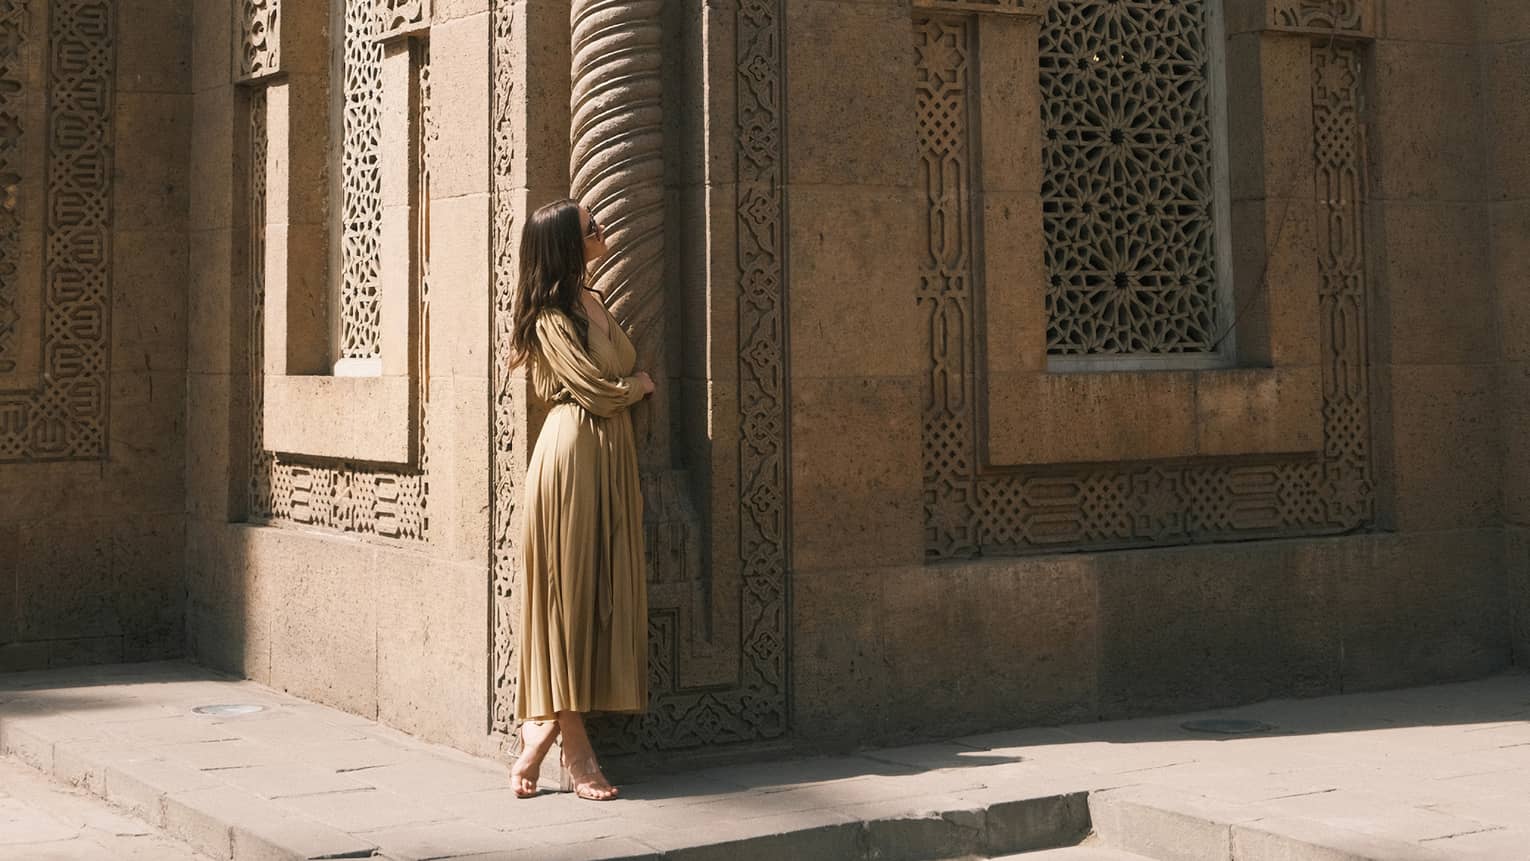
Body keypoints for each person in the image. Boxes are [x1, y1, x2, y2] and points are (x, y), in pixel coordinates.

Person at [504, 198, 655, 801]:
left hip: (608, 459)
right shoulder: (548, 316)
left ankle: (537, 738)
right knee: (568, 601)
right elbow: (593, 388)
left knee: (597, 595)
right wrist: (637, 385)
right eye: (591, 227)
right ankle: (575, 748)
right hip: (570, 459)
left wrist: (626, 388)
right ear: (568, 243)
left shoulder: (591, 300)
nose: (602, 230)